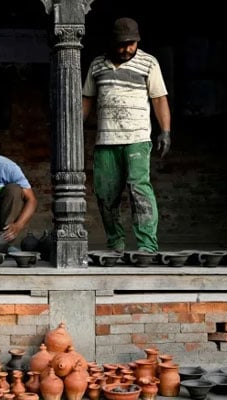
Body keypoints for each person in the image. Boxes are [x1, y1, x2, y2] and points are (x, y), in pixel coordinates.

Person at [82, 17, 171, 253]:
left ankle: (147, 245)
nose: (127, 49)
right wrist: (75, 128)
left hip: (137, 139)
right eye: (122, 44)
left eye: (132, 43)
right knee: (105, 194)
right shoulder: (97, 65)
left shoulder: (149, 63)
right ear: (112, 42)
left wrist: (165, 132)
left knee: (138, 189)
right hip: (106, 141)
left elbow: (159, 98)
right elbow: (86, 101)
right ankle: (115, 243)